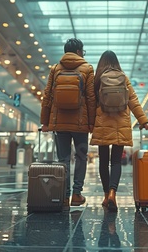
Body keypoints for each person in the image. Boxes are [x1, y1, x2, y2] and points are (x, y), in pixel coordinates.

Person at [90, 50, 148, 212]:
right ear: (116, 62)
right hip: (121, 123)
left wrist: (90, 124)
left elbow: (90, 103)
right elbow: (133, 101)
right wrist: (143, 121)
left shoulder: (97, 80)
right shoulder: (124, 78)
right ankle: (112, 193)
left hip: (102, 122)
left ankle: (105, 195)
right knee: (116, 161)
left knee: (103, 161)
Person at [40, 38, 96, 207]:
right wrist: (92, 123)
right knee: (81, 157)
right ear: (79, 52)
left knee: (63, 159)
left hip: (59, 123)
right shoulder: (87, 68)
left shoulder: (55, 69)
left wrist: (45, 122)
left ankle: (64, 196)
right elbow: (91, 98)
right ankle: (77, 194)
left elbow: (47, 96)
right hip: (81, 124)